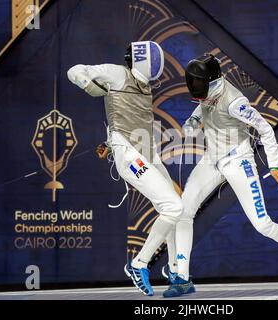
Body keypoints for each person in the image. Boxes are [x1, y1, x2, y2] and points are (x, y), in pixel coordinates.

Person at [163, 53, 278, 298]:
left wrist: (275, 166)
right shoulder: (207, 92)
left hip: (239, 161)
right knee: (184, 211)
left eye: (199, 84)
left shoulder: (235, 102)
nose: (196, 89)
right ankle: (182, 278)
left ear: (213, 82)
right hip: (211, 159)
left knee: (262, 224)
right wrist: (193, 121)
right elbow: (202, 105)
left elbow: (265, 129)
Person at [67, 41, 182, 296]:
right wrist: (89, 85)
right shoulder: (117, 73)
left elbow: (131, 116)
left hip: (148, 153)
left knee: (177, 208)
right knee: (173, 207)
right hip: (129, 155)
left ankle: (175, 269)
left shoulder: (145, 84)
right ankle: (139, 264)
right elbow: (75, 70)